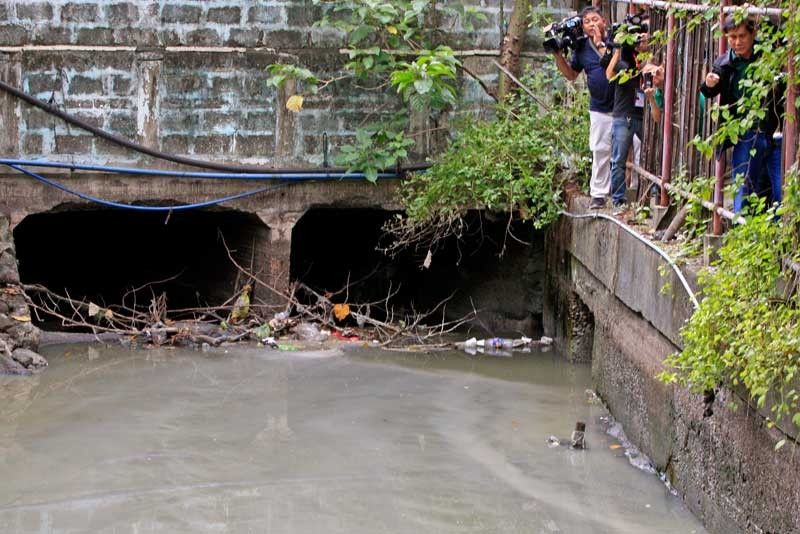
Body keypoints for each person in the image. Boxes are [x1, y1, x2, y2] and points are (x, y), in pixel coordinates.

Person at [699, 14, 785, 212]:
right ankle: (740, 232)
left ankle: (776, 237)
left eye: (741, 36)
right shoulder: (725, 63)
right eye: (732, 37)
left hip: (775, 131)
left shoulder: (769, 54)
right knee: (743, 189)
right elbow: (708, 90)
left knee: (781, 192)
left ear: (753, 34)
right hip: (745, 134)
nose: (736, 42)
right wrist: (708, 84)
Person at [552, 6, 614, 209]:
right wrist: (557, 54)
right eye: (587, 22)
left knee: (627, 149)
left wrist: (600, 42)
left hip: (622, 105)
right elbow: (571, 75)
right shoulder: (581, 48)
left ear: (603, 21)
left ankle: (623, 192)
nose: (592, 24)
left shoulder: (614, 39)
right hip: (598, 106)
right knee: (600, 149)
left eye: (595, 19)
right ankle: (598, 194)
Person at [604, 29, 649, 211]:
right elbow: (609, 74)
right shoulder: (625, 60)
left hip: (643, 114)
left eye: (644, 39)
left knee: (650, 157)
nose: (641, 42)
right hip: (623, 114)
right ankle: (619, 200)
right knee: (619, 159)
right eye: (638, 39)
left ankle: (648, 195)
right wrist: (617, 50)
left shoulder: (649, 59)